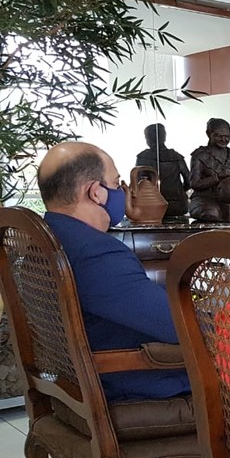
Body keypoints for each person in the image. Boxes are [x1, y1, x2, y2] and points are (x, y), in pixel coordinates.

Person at [37, 142, 190, 402]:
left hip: (77, 383)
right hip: (134, 385)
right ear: (96, 192)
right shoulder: (94, 252)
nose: (122, 192)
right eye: (117, 183)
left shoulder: (45, 240)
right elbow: (182, 326)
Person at [188, 118, 230, 223]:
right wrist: (217, 177)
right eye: (219, 136)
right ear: (209, 134)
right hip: (204, 198)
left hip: (227, 199)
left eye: (227, 137)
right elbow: (194, 184)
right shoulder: (199, 155)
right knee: (212, 213)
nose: (224, 140)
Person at [135, 123, 191, 217]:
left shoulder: (143, 157)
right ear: (164, 137)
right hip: (178, 205)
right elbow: (189, 181)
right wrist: (178, 192)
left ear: (148, 139)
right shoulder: (176, 156)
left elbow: (138, 184)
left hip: (153, 205)